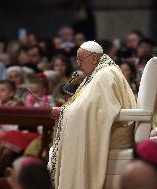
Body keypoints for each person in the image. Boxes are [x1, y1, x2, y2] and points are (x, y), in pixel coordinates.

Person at [49, 41, 136, 189]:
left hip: (116, 131)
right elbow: (85, 106)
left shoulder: (105, 75)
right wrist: (66, 110)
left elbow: (96, 110)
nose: (78, 64)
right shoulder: (99, 73)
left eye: (81, 60)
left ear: (94, 58)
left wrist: (63, 112)